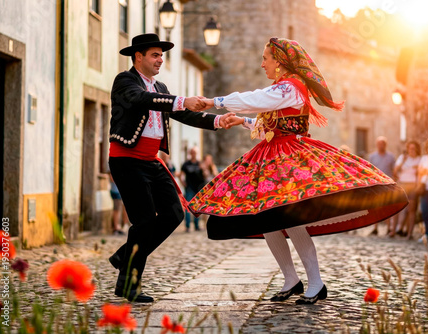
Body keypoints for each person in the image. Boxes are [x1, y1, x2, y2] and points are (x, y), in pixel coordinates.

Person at [190, 38, 408, 304]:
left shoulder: (291, 87)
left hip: (290, 159)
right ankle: (291, 279)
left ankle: (316, 283)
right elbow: (269, 124)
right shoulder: (280, 89)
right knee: (268, 219)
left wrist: (215, 101)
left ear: (280, 62)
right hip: (272, 159)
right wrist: (243, 121)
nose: (262, 64)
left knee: (292, 221)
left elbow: (257, 99)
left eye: (266, 59)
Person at [107, 33, 233, 303]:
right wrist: (182, 100)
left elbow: (184, 113)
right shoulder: (125, 81)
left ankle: (124, 256)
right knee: (144, 221)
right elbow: (142, 99)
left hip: (152, 161)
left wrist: (220, 121)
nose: (160, 60)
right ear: (138, 56)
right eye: (155, 55)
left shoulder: (161, 88)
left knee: (174, 213)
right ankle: (129, 283)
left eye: (161, 55)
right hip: (126, 160)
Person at [391, 140, 421, 239]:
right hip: (402, 184)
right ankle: (393, 231)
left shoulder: (419, 159)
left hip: (412, 185)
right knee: (396, 208)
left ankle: (409, 233)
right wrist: (403, 160)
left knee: (411, 210)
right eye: (410, 148)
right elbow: (395, 171)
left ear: (416, 149)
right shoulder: (402, 158)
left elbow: (420, 173)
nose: (411, 150)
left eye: (413, 148)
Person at [368, 136, 396, 236]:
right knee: (375, 207)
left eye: (382, 144)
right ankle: (375, 228)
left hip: (387, 184)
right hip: (375, 184)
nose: (381, 146)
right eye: (379, 144)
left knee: (387, 207)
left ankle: (389, 228)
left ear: (385, 145)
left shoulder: (391, 157)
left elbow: (394, 170)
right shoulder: (372, 156)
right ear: (377, 145)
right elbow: (368, 170)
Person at [180, 147, 205, 232]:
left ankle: (196, 226)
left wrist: (203, 168)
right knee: (188, 208)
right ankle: (187, 226)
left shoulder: (199, 163)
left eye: (195, 152)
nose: (193, 154)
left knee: (197, 208)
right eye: (192, 152)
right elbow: (181, 175)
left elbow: (205, 175)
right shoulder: (186, 164)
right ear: (190, 154)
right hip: (189, 188)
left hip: (198, 188)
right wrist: (183, 183)